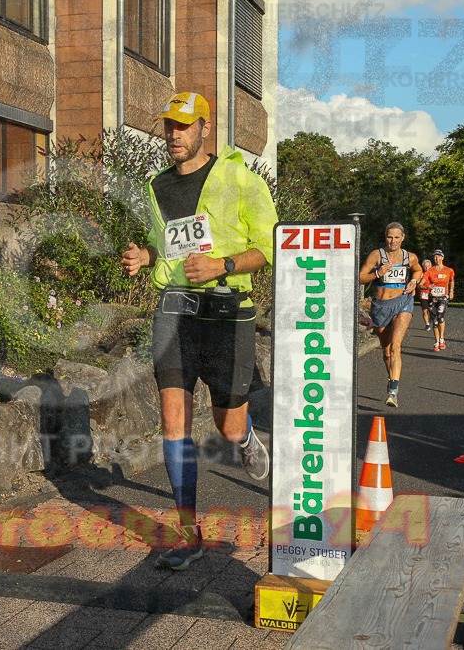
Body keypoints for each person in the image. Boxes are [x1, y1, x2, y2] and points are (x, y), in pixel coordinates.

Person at [120, 91, 277, 571]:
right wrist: (142, 257)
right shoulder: (156, 186)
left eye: (184, 126)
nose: (174, 134)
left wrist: (223, 264)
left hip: (228, 312)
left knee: (227, 427)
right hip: (175, 311)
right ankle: (188, 533)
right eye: (169, 125)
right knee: (174, 420)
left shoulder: (240, 179)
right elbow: (162, 246)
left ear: (205, 129)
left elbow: (270, 244)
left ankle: (246, 437)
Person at [358, 222, 423, 408]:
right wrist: (377, 273)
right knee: (386, 352)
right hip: (380, 306)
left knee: (396, 346)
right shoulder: (376, 255)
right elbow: (360, 276)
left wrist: (414, 282)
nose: (393, 241)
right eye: (389, 237)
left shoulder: (410, 257)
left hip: (403, 302)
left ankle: (393, 392)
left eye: (396, 237)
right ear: (385, 237)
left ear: (403, 237)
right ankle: (391, 378)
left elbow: (418, 270)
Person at [420, 250, 455, 351]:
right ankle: (436, 341)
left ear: (442, 258)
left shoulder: (449, 270)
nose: (436, 258)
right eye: (435, 257)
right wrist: (426, 286)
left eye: (438, 256)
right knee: (434, 321)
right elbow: (421, 284)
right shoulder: (429, 271)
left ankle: (442, 339)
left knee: (440, 315)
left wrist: (451, 291)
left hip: (443, 296)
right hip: (432, 297)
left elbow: (452, 280)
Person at [418, 259, 433, 330]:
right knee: (425, 310)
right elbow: (418, 284)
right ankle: (427, 324)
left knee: (432, 309)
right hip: (424, 293)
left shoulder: (433, 273)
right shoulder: (421, 274)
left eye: (428, 266)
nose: (427, 268)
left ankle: (432, 318)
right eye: (425, 267)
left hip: (433, 294)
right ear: (423, 267)